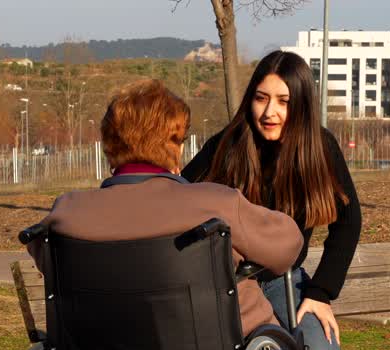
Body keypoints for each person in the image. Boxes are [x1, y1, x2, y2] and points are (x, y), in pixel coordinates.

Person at [28, 79, 302, 336]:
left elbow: (41, 251)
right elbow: (287, 246)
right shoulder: (216, 204)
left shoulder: (69, 212)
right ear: (174, 146)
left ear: (109, 145)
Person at [183, 50, 361, 350]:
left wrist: (320, 293)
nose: (270, 112)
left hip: (286, 283)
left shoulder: (320, 148)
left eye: (283, 101)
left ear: (301, 105)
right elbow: (178, 198)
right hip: (231, 288)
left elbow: (349, 222)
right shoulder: (228, 144)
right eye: (262, 98)